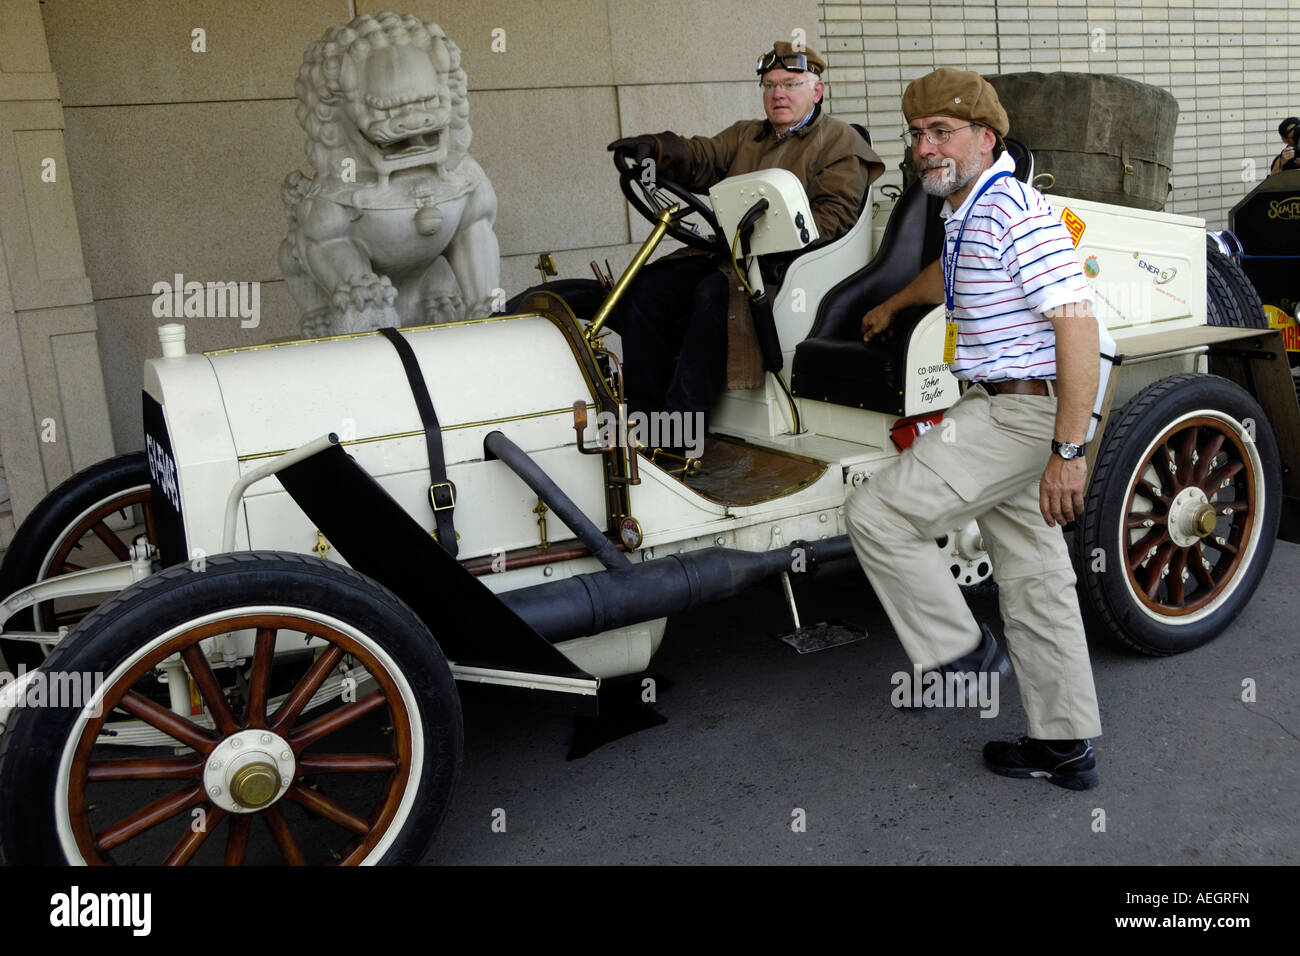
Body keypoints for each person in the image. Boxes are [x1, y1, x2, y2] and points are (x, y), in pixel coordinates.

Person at [849, 68, 1104, 789]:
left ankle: (963, 655)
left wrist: (1068, 452)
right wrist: (895, 303)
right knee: (1036, 577)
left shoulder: (1014, 212)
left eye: (943, 132)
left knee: (877, 513)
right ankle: (1064, 743)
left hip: (1013, 413)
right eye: (918, 134)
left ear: (986, 138)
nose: (926, 147)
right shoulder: (969, 208)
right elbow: (953, 273)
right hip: (1005, 406)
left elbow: (1076, 326)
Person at [605, 41, 883, 426]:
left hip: (794, 269)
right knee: (647, 287)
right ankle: (646, 419)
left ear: (817, 91)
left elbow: (833, 219)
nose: (778, 94)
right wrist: (657, 149)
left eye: (790, 84)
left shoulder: (839, 142)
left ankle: (681, 427)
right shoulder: (746, 135)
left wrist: (768, 242)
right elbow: (703, 156)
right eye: (769, 86)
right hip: (732, 260)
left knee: (713, 295)